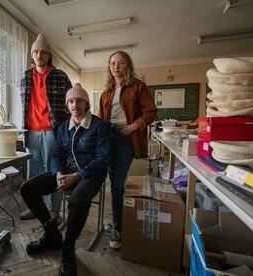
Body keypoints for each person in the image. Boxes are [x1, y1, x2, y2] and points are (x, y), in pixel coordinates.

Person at [20, 83, 110, 276]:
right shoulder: (63, 127)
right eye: (70, 101)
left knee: (77, 201)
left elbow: (103, 160)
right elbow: (57, 155)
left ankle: (68, 247)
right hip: (65, 172)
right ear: (67, 105)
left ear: (86, 104)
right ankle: (52, 233)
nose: (74, 104)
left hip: (90, 175)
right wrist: (59, 174)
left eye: (79, 100)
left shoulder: (99, 126)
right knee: (27, 188)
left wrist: (77, 176)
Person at [98, 51, 157, 249]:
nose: (116, 66)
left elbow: (151, 112)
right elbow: (100, 117)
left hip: (125, 137)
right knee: (109, 180)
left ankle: (118, 228)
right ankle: (117, 220)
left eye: (120, 63)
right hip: (107, 137)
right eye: (113, 63)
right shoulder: (107, 91)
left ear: (127, 65)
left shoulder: (138, 86)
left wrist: (133, 126)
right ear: (109, 66)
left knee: (116, 184)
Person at [19, 33, 72, 221]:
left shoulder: (60, 76)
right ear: (32, 55)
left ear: (49, 55)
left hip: (53, 131)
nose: (39, 55)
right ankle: (35, 208)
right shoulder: (25, 77)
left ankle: (54, 211)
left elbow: (70, 106)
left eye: (43, 52)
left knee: (52, 172)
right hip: (31, 131)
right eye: (36, 52)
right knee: (33, 172)